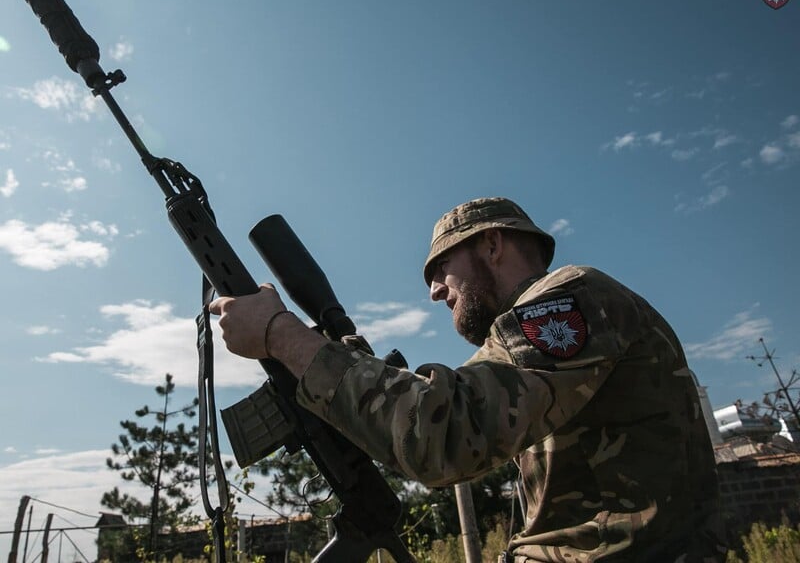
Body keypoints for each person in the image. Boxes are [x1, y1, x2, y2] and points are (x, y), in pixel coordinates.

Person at [209, 197, 726, 562]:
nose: (435, 291)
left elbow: (444, 435)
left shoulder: (571, 298)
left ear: (493, 245)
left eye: (440, 268)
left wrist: (281, 334)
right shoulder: (544, 342)